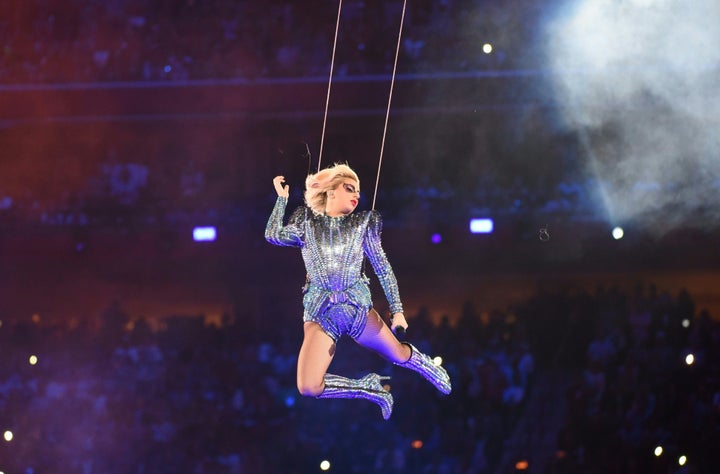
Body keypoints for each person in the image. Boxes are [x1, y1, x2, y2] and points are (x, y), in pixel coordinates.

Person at [265, 163, 451, 420]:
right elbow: (273, 235)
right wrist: (281, 199)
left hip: (357, 310)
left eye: (358, 191)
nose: (356, 195)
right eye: (349, 188)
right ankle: (367, 388)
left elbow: (383, 268)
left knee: (397, 353)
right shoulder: (306, 222)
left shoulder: (363, 224)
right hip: (321, 314)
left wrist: (397, 311)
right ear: (330, 192)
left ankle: (426, 365)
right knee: (308, 386)